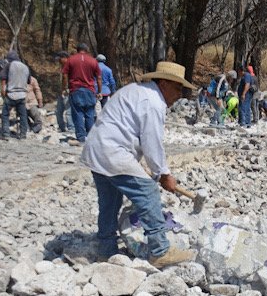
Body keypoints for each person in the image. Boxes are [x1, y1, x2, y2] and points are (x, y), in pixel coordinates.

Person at [80, 61, 196, 267]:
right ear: (163, 82)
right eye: (178, 88)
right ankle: (160, 250)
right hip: (113, 152)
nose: (180, 94)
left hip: (98, 149)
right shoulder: (152, 101)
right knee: (148, 193)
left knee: (110, 202)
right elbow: (151, 142)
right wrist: (163, 174)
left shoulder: (139, 91)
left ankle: (106, 251)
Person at [62, 43, 102, 142]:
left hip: (75, 89)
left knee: (78, 113)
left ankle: (81, 137)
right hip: (90, 90)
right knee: (89, 113)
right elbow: (99, 78)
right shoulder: (93, 61)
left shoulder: (71, 59)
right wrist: (99, 91)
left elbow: (64, 75)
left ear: (77, 50)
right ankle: (91, 136)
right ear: (87, 50)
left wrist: (65, 88)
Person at [0, 50, 31, 140]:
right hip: (22, 94)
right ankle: (23, 134)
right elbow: (29, 81)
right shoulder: (25, 67)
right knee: (23, 115)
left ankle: (6, 134)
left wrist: (3, 91)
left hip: (11, 94)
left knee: (5, 114)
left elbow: (3, 78)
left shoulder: (9, 65)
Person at [55, 51, 75, 133]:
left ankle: (71, 127)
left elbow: (66, 79)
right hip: (62, 92)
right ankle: (61, 127)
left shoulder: (70, 66)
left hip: (68, 91)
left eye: (60, 59)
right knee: (58, 111)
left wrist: (66, 89)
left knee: (69, 111)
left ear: (64, 58)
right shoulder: (62, 67)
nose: (58, 61)